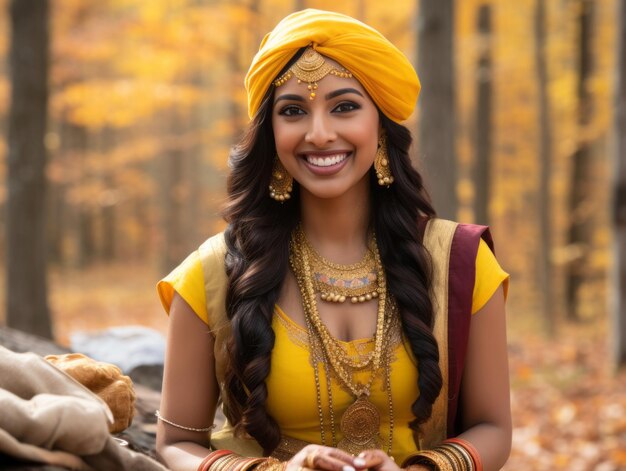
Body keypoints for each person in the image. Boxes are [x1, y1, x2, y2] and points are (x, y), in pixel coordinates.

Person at [155, 9, 511, 471]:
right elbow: (175, 442)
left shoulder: (459, 262)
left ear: (381, 126)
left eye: (344, 106)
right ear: (272, 133)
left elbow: (494, 428)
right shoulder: (213, 273)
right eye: (293, 112)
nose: (319, 134)